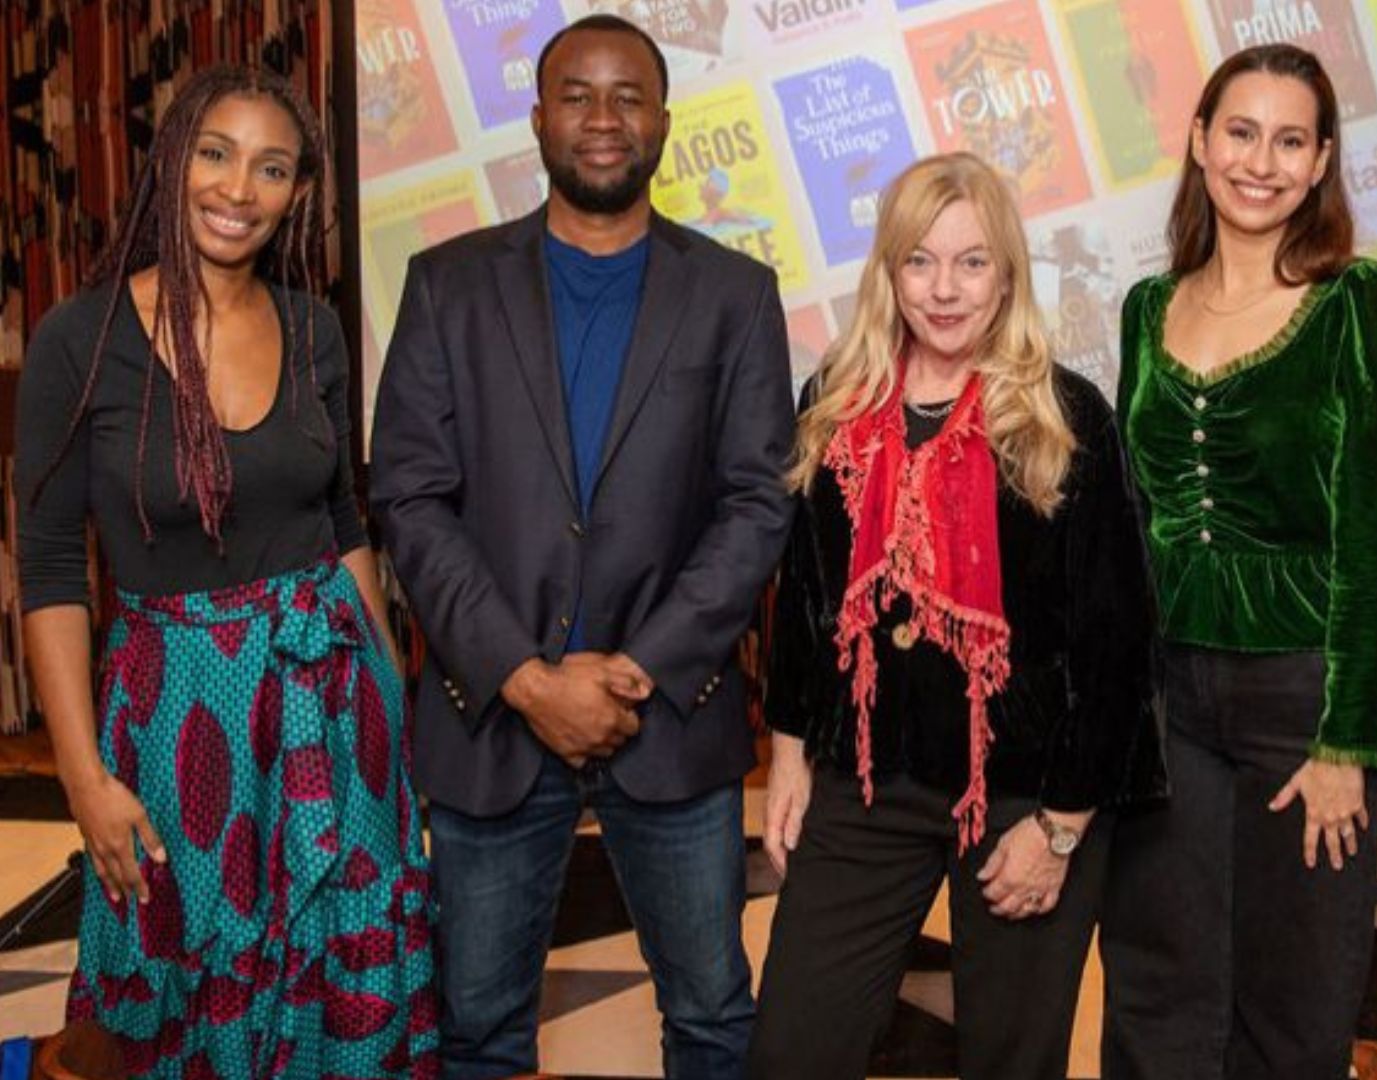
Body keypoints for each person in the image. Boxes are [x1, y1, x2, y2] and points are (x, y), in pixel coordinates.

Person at [368, 15, 794, 1080]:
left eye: (627, 96)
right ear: (536, 118)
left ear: (662, 119)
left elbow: (756, 503)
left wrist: (638, 669)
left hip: (674, 719)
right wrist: (523, 675)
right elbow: (410, 498)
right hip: (490, 717)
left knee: (710, 1017)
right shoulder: (446, 284)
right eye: (577, 94)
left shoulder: (735, 295)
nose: (603, 119)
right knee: (475, 1029)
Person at [15, 66, 435, 1076]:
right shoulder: (82, 339)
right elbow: (49, 569)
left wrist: (391, 720)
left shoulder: (313, 328)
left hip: (334, 705)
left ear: (298, 194)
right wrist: (82, 776)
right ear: (171, 159)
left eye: (272, 167)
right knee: (180, 988)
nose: (238, 188)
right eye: (216, 153)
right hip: (176, 719)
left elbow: (344, 525)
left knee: (349, 955)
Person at [747, 152, 1163, 1080]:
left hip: (1023, 793)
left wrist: (1059, 828)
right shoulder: (836, 405)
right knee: (789, 1051)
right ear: (889, 272)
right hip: (866, 777)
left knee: (1013, 1062)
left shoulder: (1065, 418)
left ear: (1008, 273)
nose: (944, 290)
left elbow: (1116, 647)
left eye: (971, 263)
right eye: (920, 262)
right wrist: (786, 756)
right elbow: (806, 602)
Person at [1099, 44, 1377, 1080]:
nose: (1262, 162)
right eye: (1241, 132)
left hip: (1303, 699)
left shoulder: (1360, 302)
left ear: (1324, 159)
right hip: (1168, 702)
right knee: (1160, 980)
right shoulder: (1149, 312)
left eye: (1292, 140)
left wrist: (1349, 743)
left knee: (1293, 999)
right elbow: (1136, 518)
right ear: (1199, 142)